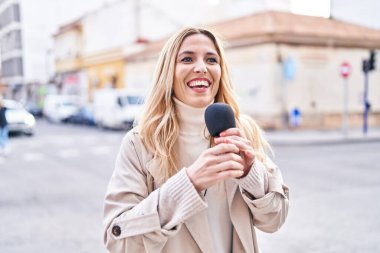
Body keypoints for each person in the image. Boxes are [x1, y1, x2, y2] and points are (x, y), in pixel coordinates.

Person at [103, 27, 289, 253]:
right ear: (168, 72)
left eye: (211, 59)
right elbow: (119, 242)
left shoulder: (242, 131)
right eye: (187, 59)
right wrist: (189, 183)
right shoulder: (140, 142)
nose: (201, 68)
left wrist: (252, 174)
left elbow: (274, 220)